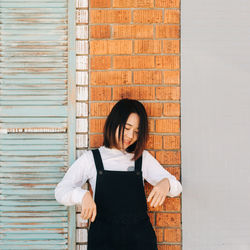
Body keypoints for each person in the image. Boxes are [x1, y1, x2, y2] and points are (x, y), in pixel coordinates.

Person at [55, 98, 182, 250]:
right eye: (127, 128)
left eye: (136, 132)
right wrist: (82, 195)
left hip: (140, 242)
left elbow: (177, 187)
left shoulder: (142, 159)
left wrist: (166, 183)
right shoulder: (91, 159)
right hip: (103, 242)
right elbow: (60, 191)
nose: (130, 136)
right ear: (114, 122)